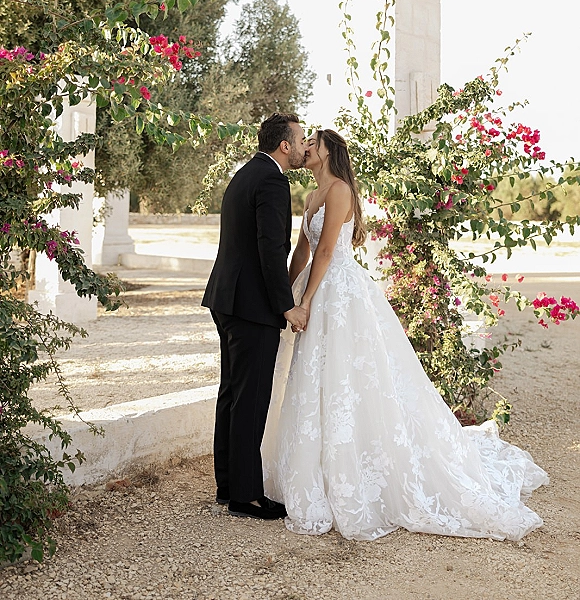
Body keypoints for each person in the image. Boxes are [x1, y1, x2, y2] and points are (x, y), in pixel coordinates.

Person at [262, 129, 548, 541]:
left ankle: (363, 471)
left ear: (327, 152)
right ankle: (316, 468)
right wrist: (285, 297)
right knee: (315, 377)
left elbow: (326, 252)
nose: (306, 147)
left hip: (338, 291)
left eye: (313, 143)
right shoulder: (310, 197)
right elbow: (303, 252)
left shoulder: (340, 190)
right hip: (314, 286)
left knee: (351, 376)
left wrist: (305, 301)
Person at [202, 113, 309, 520]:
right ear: (284, 145)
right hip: (251, 307)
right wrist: (286, 305)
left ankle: (229, 484)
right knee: (249, 399)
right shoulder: (272, 180)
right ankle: (245, 496)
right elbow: (269, 248)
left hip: (226, 300)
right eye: (300, 139)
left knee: (231, 393)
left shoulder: (245, 172)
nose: (303, 146)